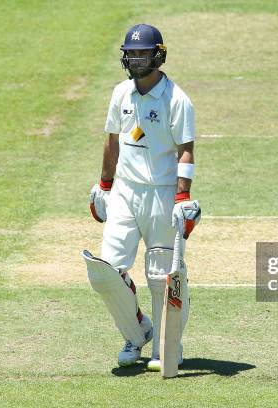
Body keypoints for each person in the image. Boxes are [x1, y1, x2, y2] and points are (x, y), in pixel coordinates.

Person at [82, 23, 201, 371]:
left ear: (158, 55)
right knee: (107, 272)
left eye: (142, 53)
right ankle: (137, 333)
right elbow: (112, 140)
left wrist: (183, 198)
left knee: (161, 275)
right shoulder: (121, 93)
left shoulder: (177, 100)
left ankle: (167, 345)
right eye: (130, 53)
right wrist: (104, 185)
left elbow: (186, 151)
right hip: (124, 192)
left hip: (163, 195)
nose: (135, 59)